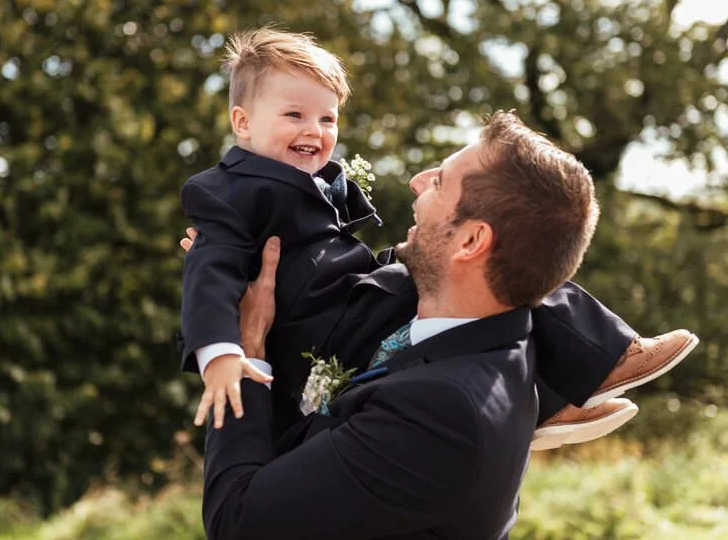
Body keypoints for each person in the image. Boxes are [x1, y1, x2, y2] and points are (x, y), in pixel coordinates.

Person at [178, 28, 698, 445]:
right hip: (318, 321)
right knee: (459, 262)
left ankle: (569, 382)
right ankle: (587, 370)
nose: (314, 130)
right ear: (242, 123)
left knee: (495, 260)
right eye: (294, 115)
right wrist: (221, 354)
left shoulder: (304, 174)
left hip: (350, 291)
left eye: (327, 118)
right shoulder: (225, 192)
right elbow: (209, 273)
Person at [199, 112, 635, 539]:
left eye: (440, 181)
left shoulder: (442, 412)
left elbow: (238, 522)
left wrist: (247, 354)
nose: (418, 181)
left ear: (471, 241)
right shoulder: (484, 329)